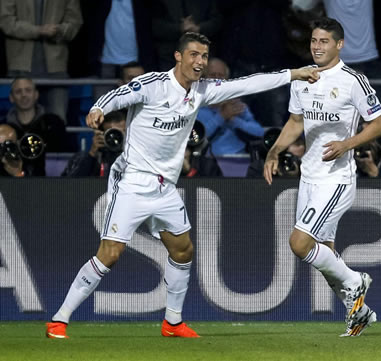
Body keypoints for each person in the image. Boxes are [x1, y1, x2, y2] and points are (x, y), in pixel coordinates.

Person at [45, 31, 328, 339]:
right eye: (194, 55)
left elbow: (247, 83)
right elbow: (121, 94)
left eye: (204, 56)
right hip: (132, 182)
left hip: (165, 188)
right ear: (178, 56)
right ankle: (59, 319)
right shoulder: (153, 85)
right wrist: (98, 108)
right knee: (110, 253)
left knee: (183, 250)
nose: (200, 62)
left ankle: (173, 322)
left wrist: (293, 74)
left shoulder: (202, 91)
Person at [263, 18, 381, 337]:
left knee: (299, 242)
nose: (317, 46)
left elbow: (379, 124)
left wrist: (347, 143)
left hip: (337, 178)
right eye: (314, 41)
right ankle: (357, 312)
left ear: (339, 45)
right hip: (309, 176)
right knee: (325, 253)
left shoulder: (352, 81)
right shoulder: (302, 78)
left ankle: (355, 282)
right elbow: (295, 121)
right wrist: (276, 150)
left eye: (324, 41)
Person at [0, 0, 83, 122]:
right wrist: (38, 31)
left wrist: (59, 30)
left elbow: (75, 21)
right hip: (21, 68)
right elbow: (6, 22)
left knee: (57, 123)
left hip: (56, 70)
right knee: (23, 124)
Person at [197, 58, 264, 155]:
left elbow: (259, 132)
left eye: (221, 76)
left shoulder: (236, 105)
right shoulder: (195, 106)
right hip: (208, 162)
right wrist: (221, 116)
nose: (216, 79)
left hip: (239, 158)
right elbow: (196, 138)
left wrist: (233, 120)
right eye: (212, 75)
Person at [5, 77, 68, 176]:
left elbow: (64, 155)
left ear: (36, 94)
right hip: (12, 183)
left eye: (28, 90)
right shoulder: (4, 127)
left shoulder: (53, 123)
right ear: (11, 97)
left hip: (50, 182)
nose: (24, 95)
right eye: (18, 91)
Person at [61, 111, 126, 177]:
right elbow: (68, 184)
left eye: (122, 132)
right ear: (101, 133)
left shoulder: (134, 157)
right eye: (112, 133)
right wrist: (92, 154)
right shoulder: (83, 158)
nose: (116, 138)